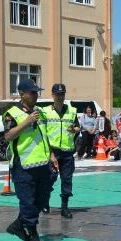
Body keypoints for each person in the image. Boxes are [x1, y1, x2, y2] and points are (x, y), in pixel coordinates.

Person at [3, 79, 59, 241]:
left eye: (37, 92)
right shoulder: (11, 113)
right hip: (23, 165)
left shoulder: (39, 112)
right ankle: (33, 234)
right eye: (32, 93)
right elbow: (8, 136)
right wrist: (26, 122)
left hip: (42, 163)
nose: (36, 95)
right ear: (22, 94)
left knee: (41, 199)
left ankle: (19, 224)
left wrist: (51, 155)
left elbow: (44, 135)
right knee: (27, 202)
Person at [42, 84, 79, 218]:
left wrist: (75, 130)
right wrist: (50, 153)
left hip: (67, 152)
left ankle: (65, 207)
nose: (60, 96)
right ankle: (45, 202)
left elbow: (77, 127)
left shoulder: (72, 111)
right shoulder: (45, 111)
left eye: (62, 94)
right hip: (52, 151)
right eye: (57, 94)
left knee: (67, 180)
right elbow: (42, 133)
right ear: (52, 95)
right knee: (49, 179)